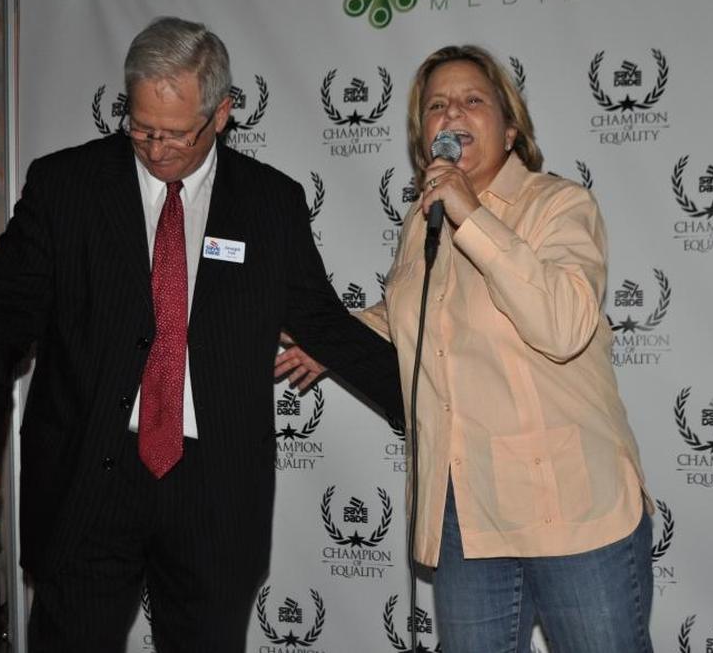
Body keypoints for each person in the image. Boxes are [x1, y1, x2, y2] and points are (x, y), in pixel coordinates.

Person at [0, 16, 403, 652]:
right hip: (87, 482)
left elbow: (324, 323)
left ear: (222, 114)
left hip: (212, 494)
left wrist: (427, 408)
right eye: (141, 128)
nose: (156, 149)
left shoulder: (270, 203)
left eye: (177, 135)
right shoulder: (65, 188)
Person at [276, 45, 654, 652]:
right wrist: (334, 342)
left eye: (472, 100)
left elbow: (562, 325)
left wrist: (470, 213)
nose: (451, 113)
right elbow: (413, 319)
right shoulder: (421, 221)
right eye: (436, 106)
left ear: (510, 130)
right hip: (464, 511)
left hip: (572, 509)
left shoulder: (559, 205)